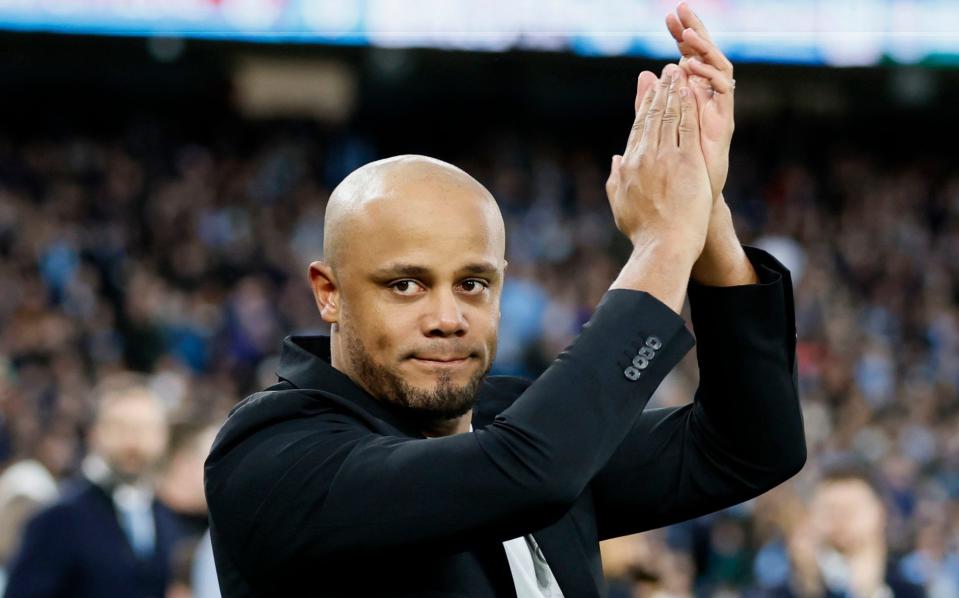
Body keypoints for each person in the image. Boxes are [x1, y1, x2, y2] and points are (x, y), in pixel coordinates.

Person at [205, 4, 806, 596]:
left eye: (472, 284)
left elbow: (749, 448)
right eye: (405, 285)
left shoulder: (511, 421)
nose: (447, 319)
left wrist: (705, 214)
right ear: (328, 293)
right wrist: (664, 243)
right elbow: (529, 472)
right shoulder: (273, 454)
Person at [3, 374, 185, 598]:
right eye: (120, 427)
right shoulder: (59, 517)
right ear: (94, 433)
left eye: (146, 428)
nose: (134, 441)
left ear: (163, 437)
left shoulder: (168, 520)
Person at [759, 459, 926, 598]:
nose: (841, 519)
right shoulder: (778, 591)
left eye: (852, 509)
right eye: (830, 510)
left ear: (881, 513)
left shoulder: (911, 588)